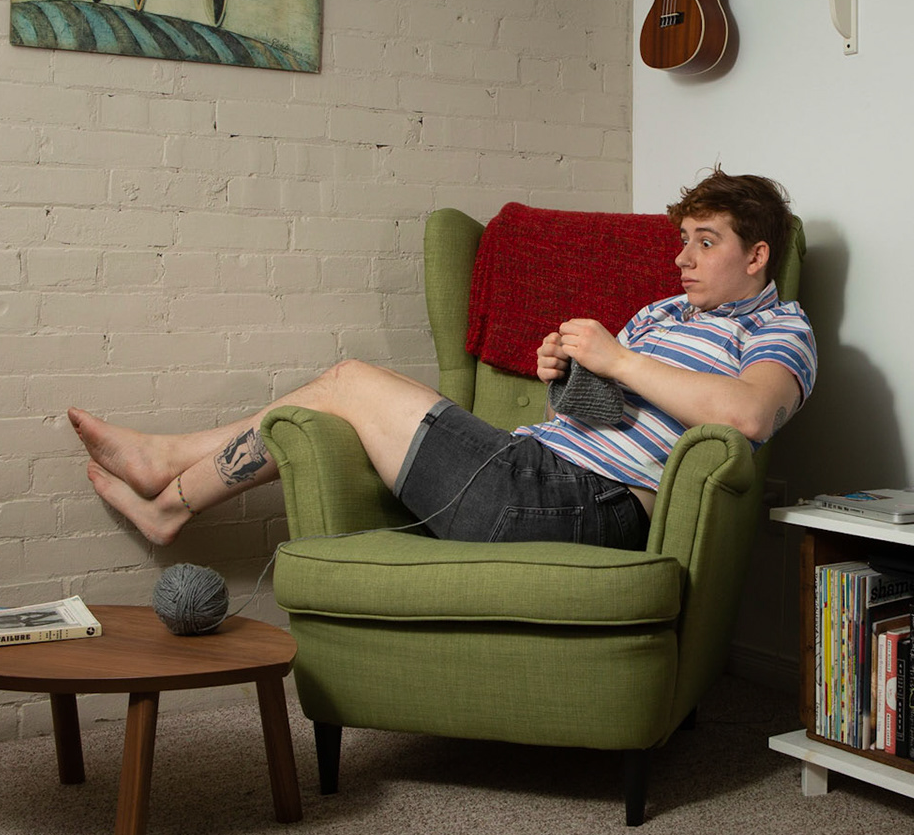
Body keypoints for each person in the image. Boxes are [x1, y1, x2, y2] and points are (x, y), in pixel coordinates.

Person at [69, 169, 815, 552]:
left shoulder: (779, 328)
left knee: (349, 382)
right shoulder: (662, 314)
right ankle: (168, 487)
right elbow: (604, 416)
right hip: (536, 471)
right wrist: (569, 377)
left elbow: (750, 414)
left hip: (589, 506)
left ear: (756, 256)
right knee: (339, 392)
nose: (683, 258)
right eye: (682, 240)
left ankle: (168, 480)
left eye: (705, 242)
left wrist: (616, 360)